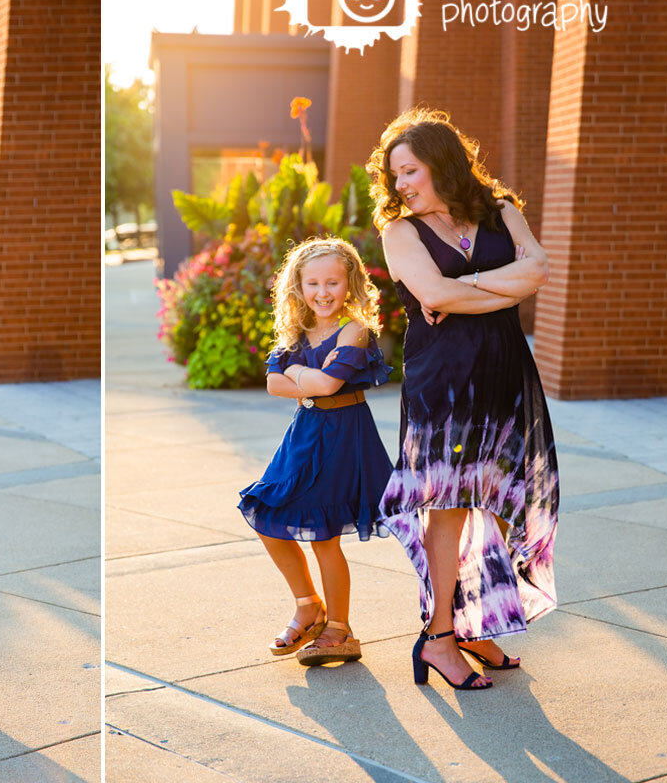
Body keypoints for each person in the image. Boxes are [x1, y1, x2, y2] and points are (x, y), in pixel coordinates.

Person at [368, 107, 558, 691]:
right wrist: (499, 283)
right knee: (448, 504)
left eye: (410, 171)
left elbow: (539, 270)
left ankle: (478, 625)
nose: (401, 186)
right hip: (443, 380)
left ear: (442, 163)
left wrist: (465, 288)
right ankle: (441, 637)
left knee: (497, 498)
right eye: (395, 176)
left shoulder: (502, 210)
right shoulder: (400, 232)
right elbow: (429, 291)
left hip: (502, 368)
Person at [239, 237, 393, 666]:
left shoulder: (355, 330)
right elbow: (273, 385)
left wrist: (295, 371)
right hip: (305, 432)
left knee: (323, 536)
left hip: (345, 435)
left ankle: (340, 629)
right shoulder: (295, 330)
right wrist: (304, 378)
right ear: (299, 287)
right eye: (313, 283)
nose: (322, 292)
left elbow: (327, 386)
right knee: (264, 513)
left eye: (332, 282)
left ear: (350, 285)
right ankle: (308, 605)